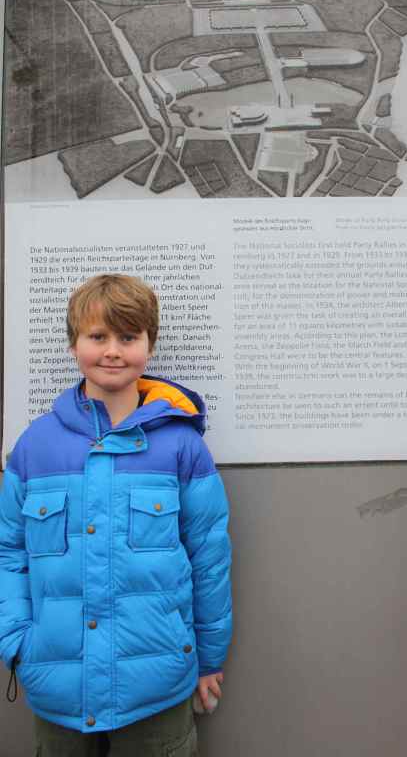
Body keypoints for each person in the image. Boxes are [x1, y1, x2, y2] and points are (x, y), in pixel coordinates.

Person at [0, 273, 232, 756]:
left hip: (158, 686)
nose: (112, 351)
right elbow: (9, 552)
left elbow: (209, 558)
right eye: (97, 336)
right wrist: (17, 640)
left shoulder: (182, 447)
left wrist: (209, 657)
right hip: (57, 684)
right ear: (73, 344)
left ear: (149, 345)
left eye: (128, 337)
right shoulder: (34, 447)